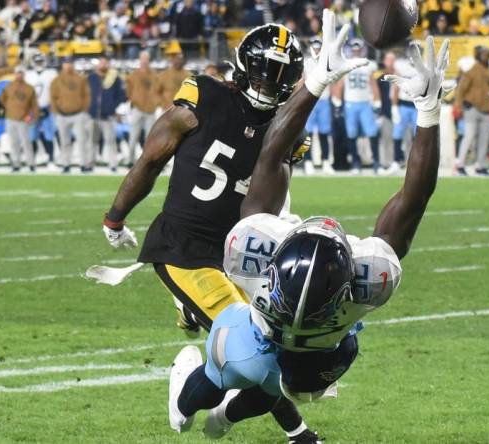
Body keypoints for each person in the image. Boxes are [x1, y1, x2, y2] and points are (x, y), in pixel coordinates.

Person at [167, 25, 450, 441]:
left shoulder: (251, 254)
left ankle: (184, 408)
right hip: (317, 361)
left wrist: (316, 82)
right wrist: (428, 111)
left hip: (252, 342)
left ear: (271, 270)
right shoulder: (368, 280)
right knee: (277, 387)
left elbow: (271, 155)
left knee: (216, 376)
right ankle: (224, 419)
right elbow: (415, 196)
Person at [97, 23, 321, 443]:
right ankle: (296, 433)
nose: (268, 85)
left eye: (277, 76)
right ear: (241, 67)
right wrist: (116, 217)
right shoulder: (203, 96)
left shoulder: (284, 131)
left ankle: (224, 405)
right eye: (261, 73)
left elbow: (272, 202)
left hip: (235, 254)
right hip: (181, 248)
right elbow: (150, 160)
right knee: (254, 348)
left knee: (271, 343)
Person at [334, 38, 381, 174]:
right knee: (351, 133)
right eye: (354, 49)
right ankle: (355, 162)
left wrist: (377, 103)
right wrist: (337, 102)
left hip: (365, 102)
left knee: (372, 132)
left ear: (362, 50)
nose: (356, 52)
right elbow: (340, 84)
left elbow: (373, 84)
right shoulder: (346, 64)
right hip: (350, 103)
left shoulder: (369, 64)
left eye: (358, 49)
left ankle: (376, 162)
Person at [454, 45, 489, 176]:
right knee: (469, 136)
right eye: (484, 55)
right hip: (471, 107)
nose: (486, 57)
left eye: (487, 55)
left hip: (486, 109)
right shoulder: (472, 70)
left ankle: (480, 165)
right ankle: (460, 164)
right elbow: (461, 89)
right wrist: (458, 105)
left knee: (484, 138)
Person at [50, 57, 90, 174]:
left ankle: (84, 164)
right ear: (62, 65)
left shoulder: (80, 79)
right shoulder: (56, 80)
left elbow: (86, 95)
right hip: (62, 115)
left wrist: (84, 110)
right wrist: (56, 112)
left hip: (78, 114)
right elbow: (52, 97)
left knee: (82, 140)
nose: (68, 66)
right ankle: (66, 164)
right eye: (66, 63)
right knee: (64, 141)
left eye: (70, 63)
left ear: (72, 65)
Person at [86, 57, 126, 173]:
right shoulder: (91, 78)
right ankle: (90, 163)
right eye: (101, 63)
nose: (102, 66)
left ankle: (113, 164)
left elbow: (122, 95)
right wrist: (88, 107)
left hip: (108, 115)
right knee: (92, 141)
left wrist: (112, 106)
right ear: (97, 65)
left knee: (110, 141)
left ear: (108, 65)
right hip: (93, 114)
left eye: (105, 63)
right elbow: (85, 93)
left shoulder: (115, 78)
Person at [302, 37, 334, 175]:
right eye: (314, 47)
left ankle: (326, 161)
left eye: (318, 47)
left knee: (324, 133)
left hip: (324, 99)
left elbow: (334, 80)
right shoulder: (306, 63)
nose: (316, 50)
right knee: (307, 133)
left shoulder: (327, 62)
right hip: (310, 100)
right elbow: (302, 82)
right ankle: (308, 162)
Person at [0, 66, 40, 172]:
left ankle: (31, 164)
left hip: (23, 119)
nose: (19, 75)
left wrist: (32, 116)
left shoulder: (29, 88)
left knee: (26, 142)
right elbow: (2, 99)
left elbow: (34, 104)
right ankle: (15, 164)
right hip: (10, 118)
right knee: (13, 143)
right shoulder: (8, 86)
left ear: (24, 74)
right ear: (15, 74)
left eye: (21, 73)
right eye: (17, 73)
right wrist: (9, 108)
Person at [24, 53, 58, 170]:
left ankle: (51, 160)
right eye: (37, 62)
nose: (39, 64)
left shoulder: (51, 74)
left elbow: (55, 91)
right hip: (32, 109)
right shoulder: (28, 75)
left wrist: (52, 106)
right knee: (32, 136)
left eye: (40, 62)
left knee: (49, 136)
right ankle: (32, 161)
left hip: (47, 107)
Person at [125, 51, 156, 168]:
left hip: (151, 110)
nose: (144, 61)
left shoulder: (154, 75)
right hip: (137, 109)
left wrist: (155, 102)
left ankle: (148, 162)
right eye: (142, 58)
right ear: (140, 60)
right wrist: (133, 100)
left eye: (146, 58)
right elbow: (128, 89)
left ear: (149, 60)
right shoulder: (133, 75)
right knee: (133, 136)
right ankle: (129, 160)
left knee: (150, 139)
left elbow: (158, 90)